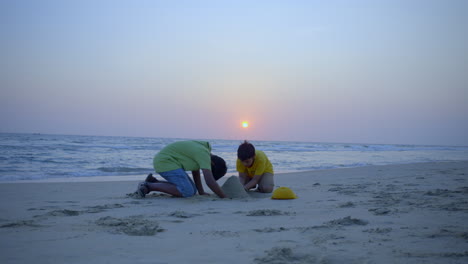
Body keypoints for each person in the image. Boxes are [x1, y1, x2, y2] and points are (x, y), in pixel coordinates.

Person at [136, 140, 227, 198]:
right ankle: (148, 186)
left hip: (169, 162)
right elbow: (209, 181)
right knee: (187, 192)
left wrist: (201, 191)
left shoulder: (203, 151)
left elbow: (195, 171)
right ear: (212, 164)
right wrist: (224, 197)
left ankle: (154, 182)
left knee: (192, 190)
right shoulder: (203, 154)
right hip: (166, 163)